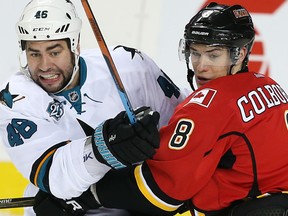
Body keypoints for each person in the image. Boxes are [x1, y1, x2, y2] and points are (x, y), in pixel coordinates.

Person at [57, 2, 288, 216]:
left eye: (214, 55)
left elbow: (162, 191)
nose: (201, 66)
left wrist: (87, 195)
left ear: (240, 55)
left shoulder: (210, 104)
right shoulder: (268, 85)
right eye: (195, 52)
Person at [0, 0, 188, 215]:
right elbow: (55, 174)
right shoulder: (15, 98)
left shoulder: (131, 66)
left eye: (54, 52)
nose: (44, 66)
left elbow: (183, 119)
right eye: (34, 54)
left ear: (75, 45)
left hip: (137, 204)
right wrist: (104, 146)